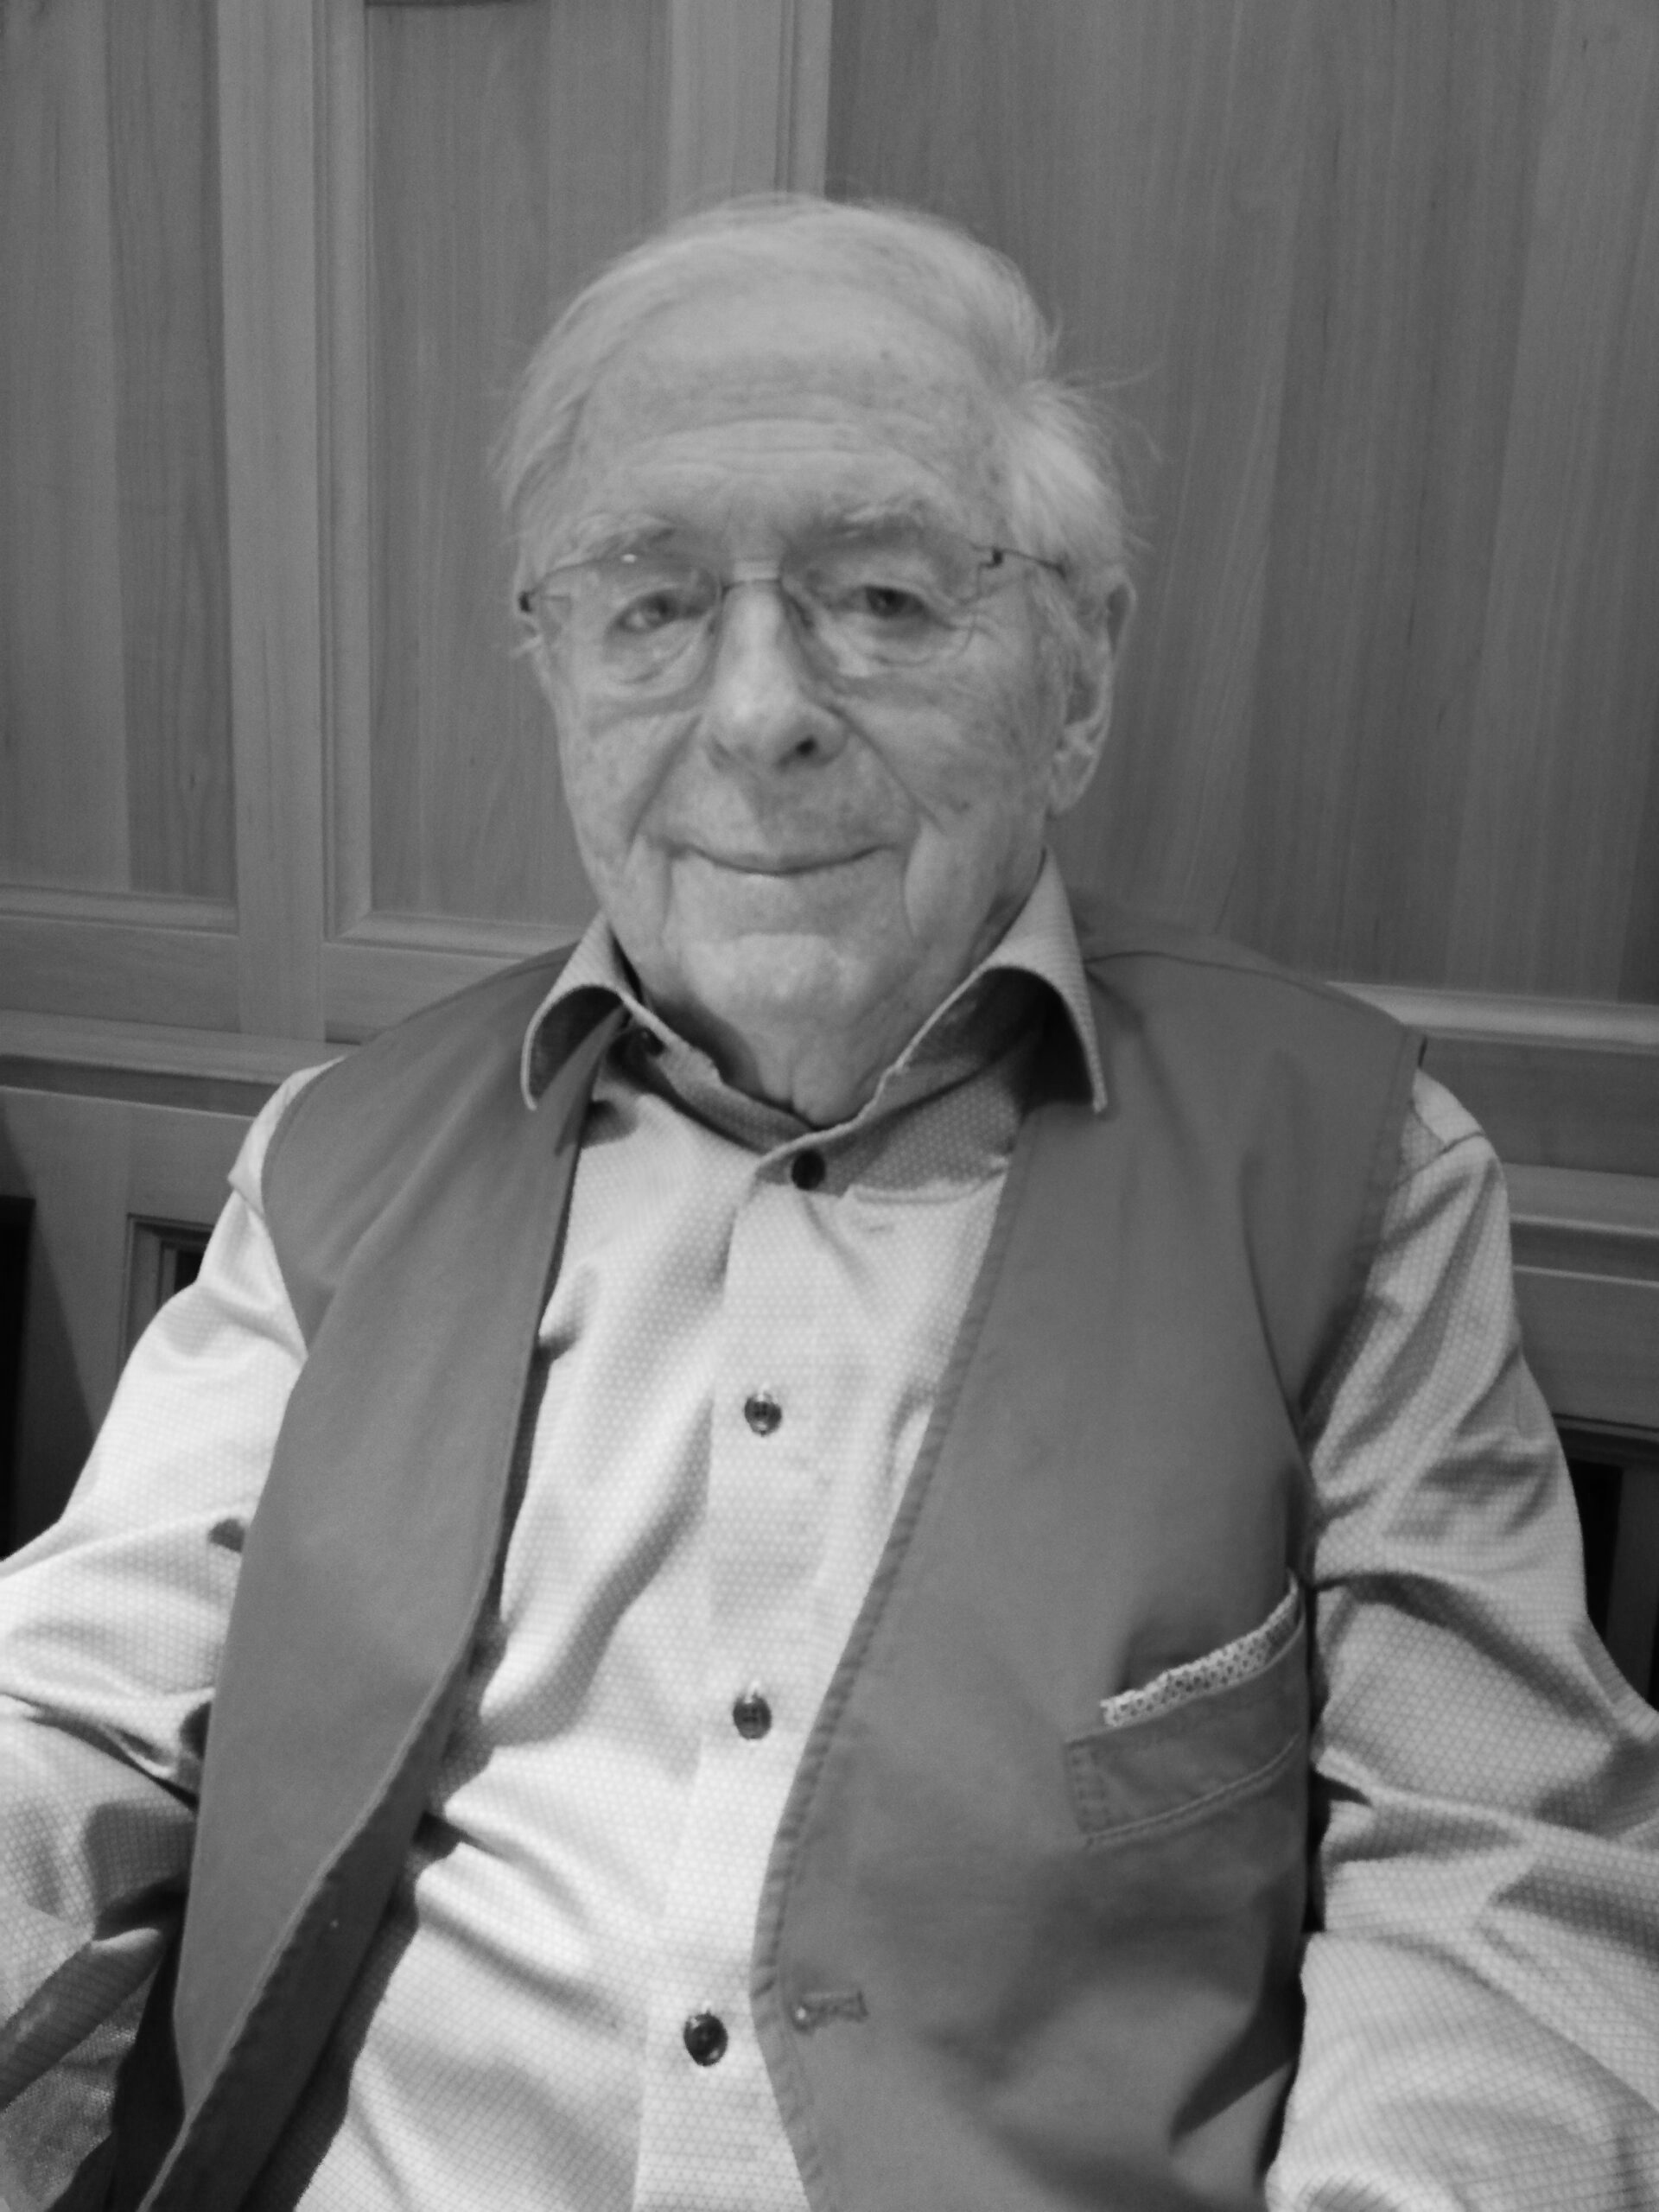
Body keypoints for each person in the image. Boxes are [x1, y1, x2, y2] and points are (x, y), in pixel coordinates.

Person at [2, 195, 1656, 2212]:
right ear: (554, 673)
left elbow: (1499, 1900)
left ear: (1078, 674)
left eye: (882, 595)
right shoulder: (335, 1154)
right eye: (648, 605)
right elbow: (69, 1705)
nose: (756, 712)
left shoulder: (1358, 1176)